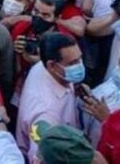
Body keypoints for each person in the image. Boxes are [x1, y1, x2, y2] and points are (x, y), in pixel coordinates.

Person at [16, 32, 85, 161]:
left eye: (80, 59)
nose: (80, 66)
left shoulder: (46, 69)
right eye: (72, 63)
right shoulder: (46, 114)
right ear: (52, 65)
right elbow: (40, 157)